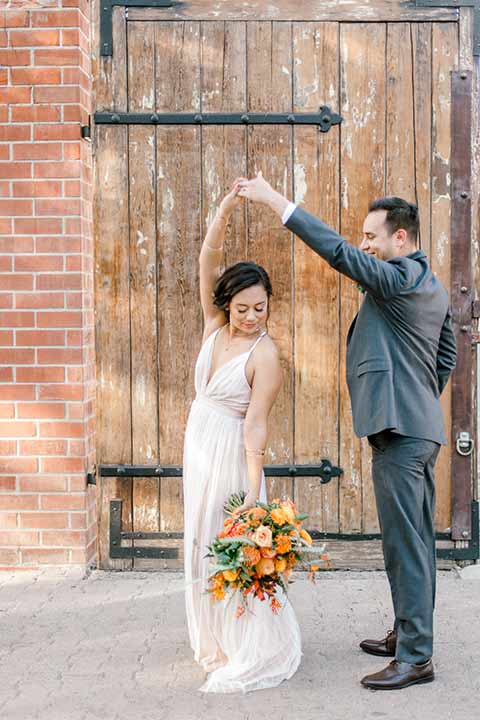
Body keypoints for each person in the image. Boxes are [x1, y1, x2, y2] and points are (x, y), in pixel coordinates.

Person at [236, 172, 457, 691]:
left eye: (371, 236)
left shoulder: (400, 277)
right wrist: (418, 397)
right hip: (418, 428)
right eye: (363, 236)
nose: (363, 244)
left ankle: (417, 657)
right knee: (416, 542)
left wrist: (277, 202)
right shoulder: (431, 286)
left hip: (402, 434)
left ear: (399, 239)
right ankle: (408, 635)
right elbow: (444, 356)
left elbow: (339, 254)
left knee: (405, 546)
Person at [183, 182, 301, 694]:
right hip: (199, 446)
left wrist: (253, 497)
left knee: (224, 540)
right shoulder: (213, 327)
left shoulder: (266, 355)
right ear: (226, 306)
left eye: (261, 307)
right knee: (198, 541)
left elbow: (256, 427)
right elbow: (209, 255)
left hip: (232, 456)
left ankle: (244, 642)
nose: (253, 317)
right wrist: (228, 206)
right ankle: (214, 639)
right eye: (243, 308)